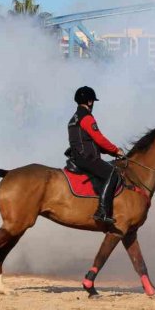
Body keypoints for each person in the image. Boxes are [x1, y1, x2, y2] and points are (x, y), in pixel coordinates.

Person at [66, 86, 125, 224]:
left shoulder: (73, 118)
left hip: (78, 157)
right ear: (90, 102)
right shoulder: (86, 117)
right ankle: (102, 212)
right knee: (113, 173)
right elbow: (99, 139)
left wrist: (110, 151)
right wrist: (116, 150)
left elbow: (89, 141)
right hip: (87, 158)